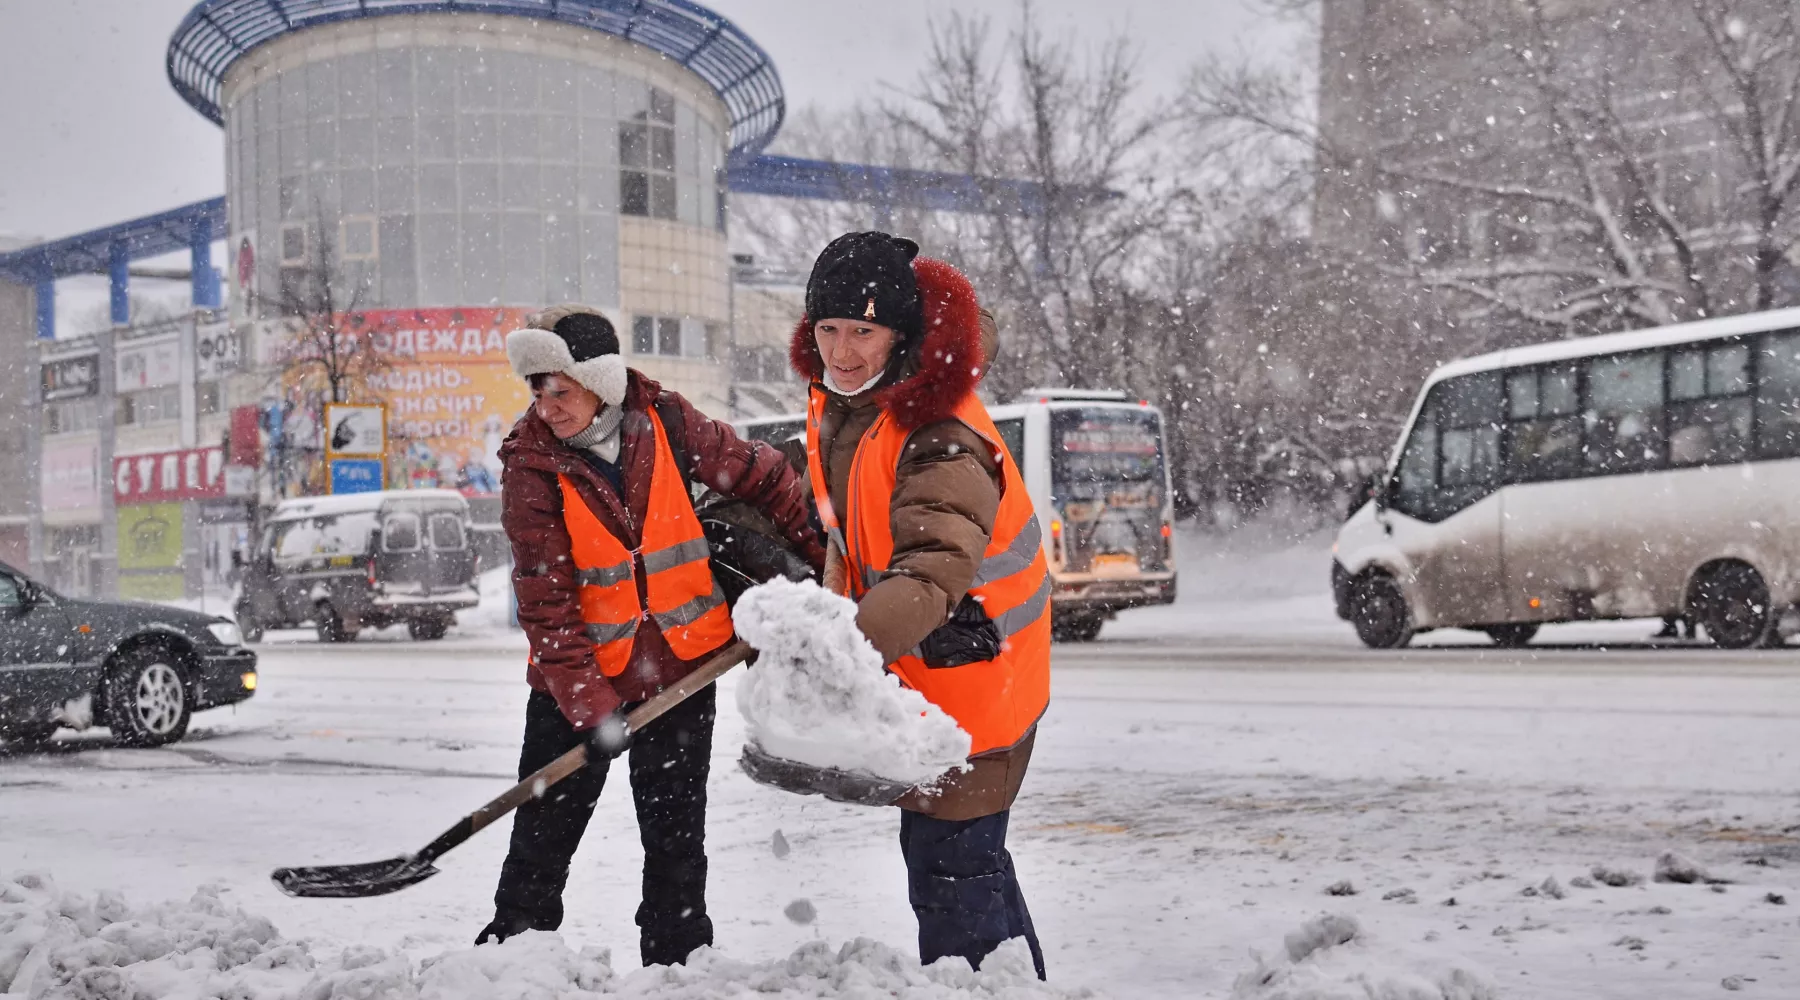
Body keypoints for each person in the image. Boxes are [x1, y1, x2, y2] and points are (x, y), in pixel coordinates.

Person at [483, 305, 824, 965]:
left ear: (601, 383)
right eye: (538, 391)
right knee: (543, 837)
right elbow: (546, 603)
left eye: (562, 390)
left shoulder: (665, 419)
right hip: (574, 683)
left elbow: (765, 473)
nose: (547, 407)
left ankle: (679, 964)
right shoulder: (532, 466)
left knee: (675, 840)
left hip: (680, 670)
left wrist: (817, 563)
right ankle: (509, 961)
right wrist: (591, 705)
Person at [791, 232, 1050, 978]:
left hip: (975, 688)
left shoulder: (938, 434)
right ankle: (1013, 985)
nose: (841, 350)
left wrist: (836, 660)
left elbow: (931, 573)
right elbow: (853, 523)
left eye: (861, 332)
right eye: (828, 329)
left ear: (898, 334)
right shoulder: (859, 403)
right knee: (975, 870)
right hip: (946, 682)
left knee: (952, 883)